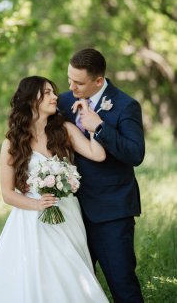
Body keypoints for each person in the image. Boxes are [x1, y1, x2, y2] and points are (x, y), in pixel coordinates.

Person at [0, 75, 109, 303]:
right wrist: (38, 204)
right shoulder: (12, 142)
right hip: (30, 219)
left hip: (67, 213)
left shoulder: (64, 129)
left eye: (53, 92)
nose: (55, 97)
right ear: (30, 99)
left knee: (71, 270)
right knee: (35, 273)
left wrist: (92, 125)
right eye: (47, 93)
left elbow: (98, 154)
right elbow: (7, 194)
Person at [58, 48, 145, 303]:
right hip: (70, 211)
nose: (72, 87)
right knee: (76, 286)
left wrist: (100, 127)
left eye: (79, 82)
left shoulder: (125, 105)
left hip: (111, 213)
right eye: (69, 79)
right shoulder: (63, 102)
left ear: (98, 81)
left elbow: (135, 154)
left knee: (122, 283)